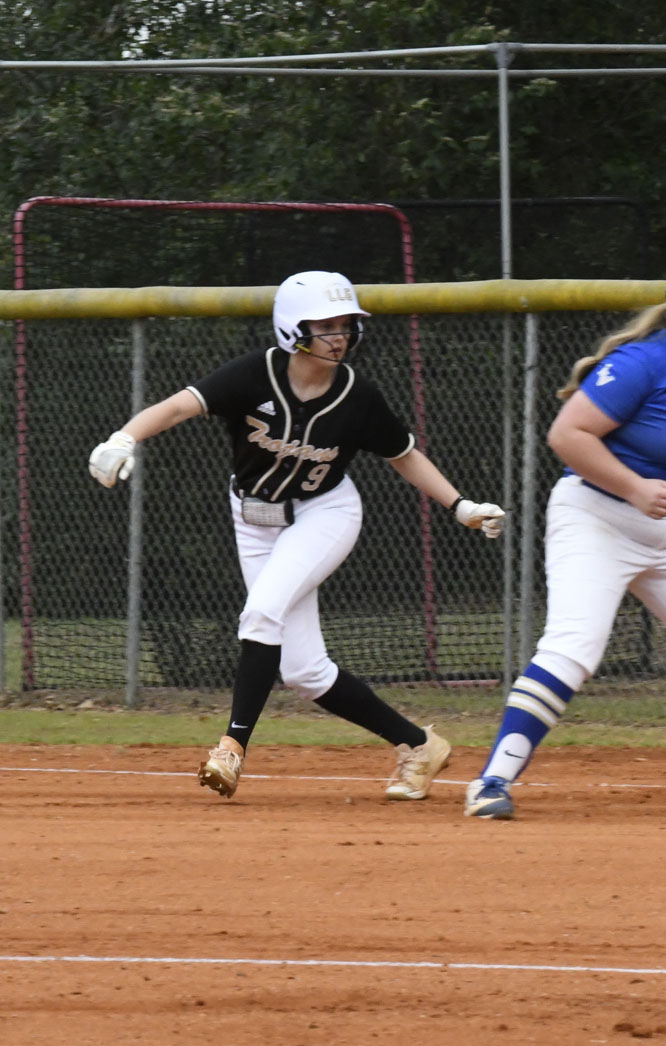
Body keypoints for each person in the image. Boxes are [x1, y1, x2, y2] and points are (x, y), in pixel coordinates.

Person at [87, 270, 506, 802]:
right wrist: (124, 437)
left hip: (324, 514)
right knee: (305, 672)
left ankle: (231, 749)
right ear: (292, 329)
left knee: (261, 614)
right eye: (325, 326)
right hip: (253, 519)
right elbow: (179, 406)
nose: (340, 336)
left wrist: (460, 504)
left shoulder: (357, 396)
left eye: (346, 325)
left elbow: (404, 455)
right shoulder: (253, 375)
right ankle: (418, 744)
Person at [463, 255, 666, 821]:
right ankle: (491, 781)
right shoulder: (647, 361)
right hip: (598, 516)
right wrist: (634, 486)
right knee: (574, 647)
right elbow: (567, 434)